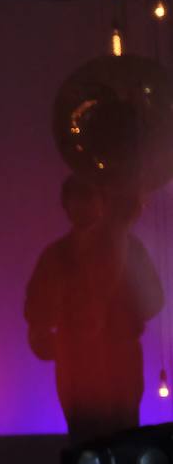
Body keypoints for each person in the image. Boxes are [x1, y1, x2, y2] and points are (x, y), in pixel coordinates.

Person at [25, 174, 164, 443]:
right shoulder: (60, 255)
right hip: (92, 366)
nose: (84, 206)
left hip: (103, 365)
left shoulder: (59, 254)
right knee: (111, 445)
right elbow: (153, 300)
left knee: (99, 446)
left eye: (88, 198)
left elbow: (153, 299)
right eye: (79, 199)